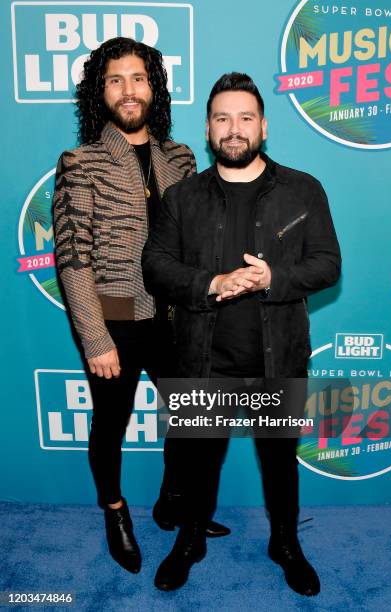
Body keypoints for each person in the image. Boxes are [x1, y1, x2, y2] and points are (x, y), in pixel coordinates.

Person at [142, 72, 341, 594]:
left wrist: (275, 277)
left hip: (278, 361)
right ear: (208, 129)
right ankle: (189, 540)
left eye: (245, 118)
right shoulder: (181, 197)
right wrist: (212, 282)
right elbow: (155, 267)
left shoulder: (303, 188)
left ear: (264, 126)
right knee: (196, 461)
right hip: (202, 362)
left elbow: (327, 265)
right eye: (223, 118)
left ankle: (285, 542)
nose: (234, 129)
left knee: (280, 464)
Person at [52, 36, 228, 576]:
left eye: (138, 78)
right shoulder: (80, 162)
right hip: (116, 319)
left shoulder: (180, 157)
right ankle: (115, 511)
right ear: (99, 92)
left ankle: (174, 500)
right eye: (114, 80)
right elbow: (72, 257)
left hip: (177, 320)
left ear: (153, 87)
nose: (128, 91)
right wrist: (95, 336)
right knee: (111, 422)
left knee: (193, 418)